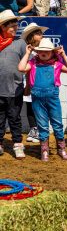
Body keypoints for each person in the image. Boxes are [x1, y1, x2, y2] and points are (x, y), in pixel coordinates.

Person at [18, 38, 67, 161]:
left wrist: (64, 55)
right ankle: (44, 151)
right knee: (42, 125)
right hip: (37, 100)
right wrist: (28, 53)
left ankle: (61, 149)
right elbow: (21, 68)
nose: (43, 53)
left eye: (47, 51)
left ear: (52, 52)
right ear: (37, 52)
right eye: (41, 51)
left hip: (52, 99)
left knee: (58, 124)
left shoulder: (57, 64)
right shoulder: (33, 63)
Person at [0, 10, 25, 158]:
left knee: (15, 118)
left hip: (15, 88)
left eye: (16, 26)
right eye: (12, 26)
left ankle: (17, 144)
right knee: (0, 118)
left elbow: (26, 63)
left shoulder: (20, 43)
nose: (15, 28)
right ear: (3, 27)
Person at [21, 22, 49, 143]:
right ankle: (34, 129)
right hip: (28, 81)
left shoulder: (44, 49)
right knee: (30, 106)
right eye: (38, 33)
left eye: (41, 33)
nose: (41, 35)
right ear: (31, 36)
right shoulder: (26, 50)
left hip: (41, 82)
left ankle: (41, 128)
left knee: (41, 105)